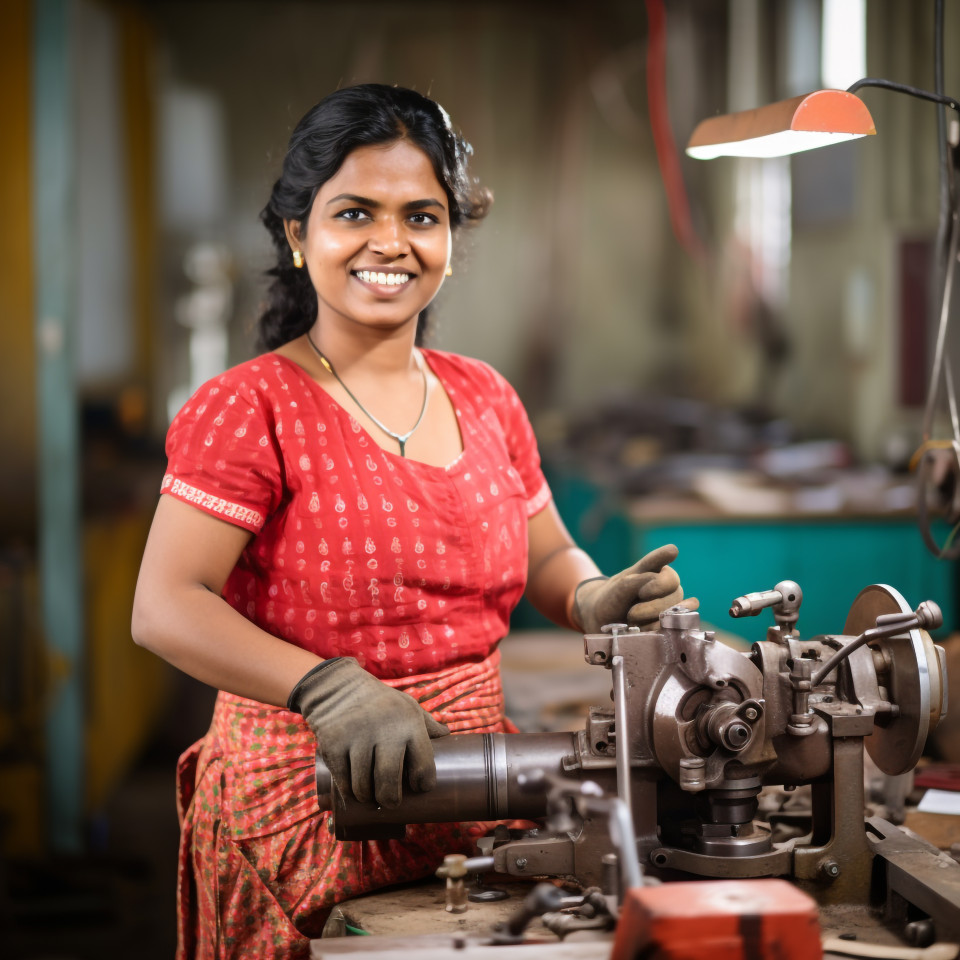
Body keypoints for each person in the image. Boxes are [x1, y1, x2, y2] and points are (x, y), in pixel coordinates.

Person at [132, 83, 693, 960]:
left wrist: (589, 595)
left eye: (420, 217)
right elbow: (166, 603)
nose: (390, 243)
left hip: (475, 797)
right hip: (305, 807)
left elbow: (547, 549)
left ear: (450, 241)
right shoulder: (250, 407)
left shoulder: (485, 395)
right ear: (296, 233)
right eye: (355, 212)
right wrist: (325, 689)